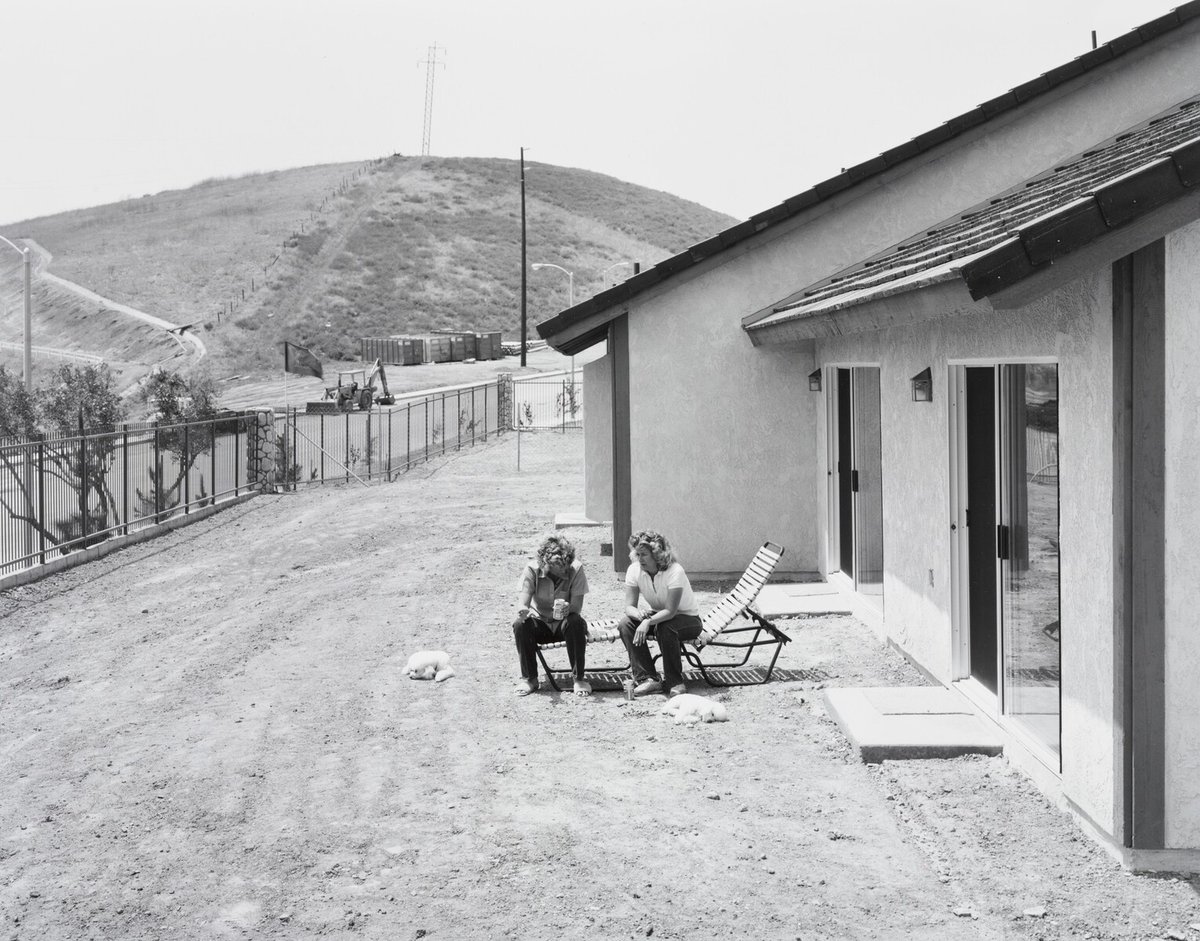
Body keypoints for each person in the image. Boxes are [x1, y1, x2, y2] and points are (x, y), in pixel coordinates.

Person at [618, 530, 704, 697]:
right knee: (626, 624)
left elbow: (671, 612)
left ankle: (675, 682)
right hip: (659, 616)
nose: (639, 558)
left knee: (666, 627)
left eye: (644, 554)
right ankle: (647, 679)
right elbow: (629, 606)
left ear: (657, 555)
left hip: (688, 619)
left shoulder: (674, 571)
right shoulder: (634, 570)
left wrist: (647, 622)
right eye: (637, 554)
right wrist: (638, 616)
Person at [511, 534, 591, 696]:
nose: (564, 570)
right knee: (520, 624)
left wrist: (569, 608)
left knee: (575, 621)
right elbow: (523, 601)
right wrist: (523, 610)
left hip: (565, 625)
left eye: (566, 565)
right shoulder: (532, 569)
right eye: (559, 567)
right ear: (545, 564)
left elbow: (577, 607)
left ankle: (579, 679)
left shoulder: (576, 569)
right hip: (541, 624)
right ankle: (530, 679)